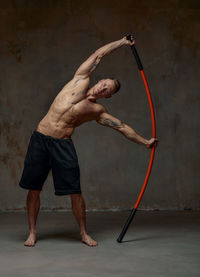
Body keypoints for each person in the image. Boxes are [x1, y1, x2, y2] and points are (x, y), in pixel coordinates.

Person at [19, 35, 158, 248]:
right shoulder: (81, 79)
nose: (102, 88)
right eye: (104, 83)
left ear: (108, 96)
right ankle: (32, 232)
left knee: (75, 191)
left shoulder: (96, 111)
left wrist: (145, 142)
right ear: (100, 79)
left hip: (62, 145)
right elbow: (98, 54)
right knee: (34, 188)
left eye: (107, 90)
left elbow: (121, 127)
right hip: (40, 138)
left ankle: (83, 233)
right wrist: (122, 42)